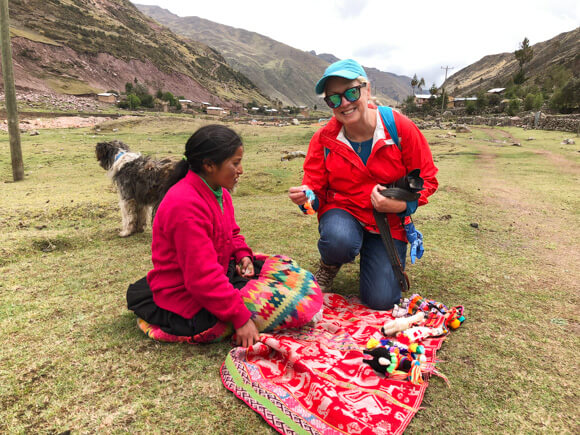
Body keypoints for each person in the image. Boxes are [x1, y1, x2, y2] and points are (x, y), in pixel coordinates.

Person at [127, 125, 322, 347]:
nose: (241, 170)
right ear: (209, 165)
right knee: (294, 307)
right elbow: (201, 278)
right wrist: (240, 318)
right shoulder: (184, 205)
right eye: (236, 163)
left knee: (292, 273)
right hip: (191, 294)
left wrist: (242, 255)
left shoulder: (218, 192)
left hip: (218, 271)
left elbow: (232, 233)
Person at [288, 59, 438, 311]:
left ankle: (374, 252)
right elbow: (313, 187)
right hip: (343, 212)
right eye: (334, 99)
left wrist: (401, 205)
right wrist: (307, 198)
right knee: (339, 240)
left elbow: (428, 179)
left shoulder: (400, 128)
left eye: (351, 92)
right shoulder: (324, 139)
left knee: (381, 300)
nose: (344, 103)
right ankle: (330, 263)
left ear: (366, 90)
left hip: (386, 220)